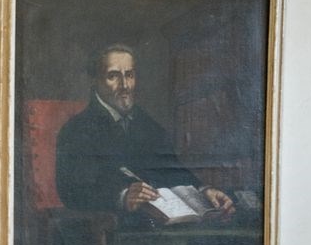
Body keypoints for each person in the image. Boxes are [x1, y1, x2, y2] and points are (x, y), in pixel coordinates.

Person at [55, 44, 235, 219]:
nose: (125, 85)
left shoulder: (148, 125)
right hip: (111, 228)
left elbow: (172, 169)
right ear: (95, 80)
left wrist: (204, 190)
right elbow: (72, 192)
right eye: (113, 76)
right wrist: (123, 196)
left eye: (129, 75)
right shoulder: (76, 130)